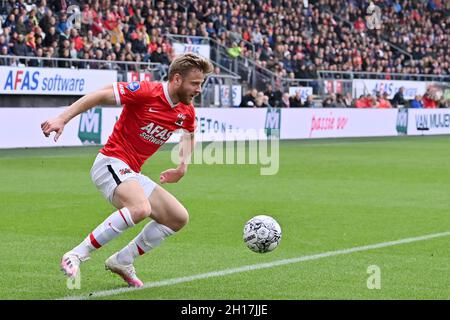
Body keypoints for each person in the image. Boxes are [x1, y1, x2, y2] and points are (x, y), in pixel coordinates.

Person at [40, 53, 213, 287]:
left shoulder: (186, 111)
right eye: (195, 83)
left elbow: (189, 134)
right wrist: (62, 118)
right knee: (140, 208)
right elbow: (100, 94)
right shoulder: (146, 92)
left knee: (177, 218)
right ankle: (76, 254)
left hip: (130, 171)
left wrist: (182, 166)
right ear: (176, 79)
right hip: (110, 162)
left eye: (201, 83)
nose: (198, 89)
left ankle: (122, 260)